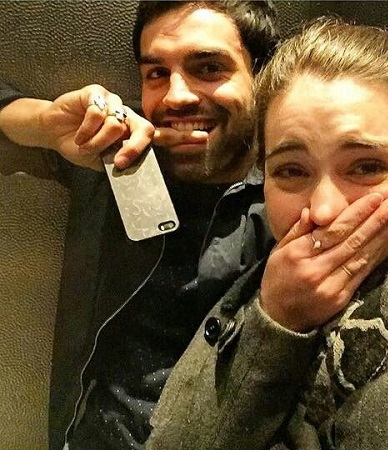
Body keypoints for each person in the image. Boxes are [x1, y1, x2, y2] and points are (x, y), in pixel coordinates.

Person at [145, 17, 388, 450]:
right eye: (291, 170)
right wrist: (276, 319)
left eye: (366, 167)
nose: (324, 210)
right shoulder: (266, 276)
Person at [0, 2, 279, 449]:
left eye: (208, 67)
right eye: (156, 74)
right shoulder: (110, 151)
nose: (175, 97)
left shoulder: (302, 187)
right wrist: (44, 124)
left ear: (263, 76)